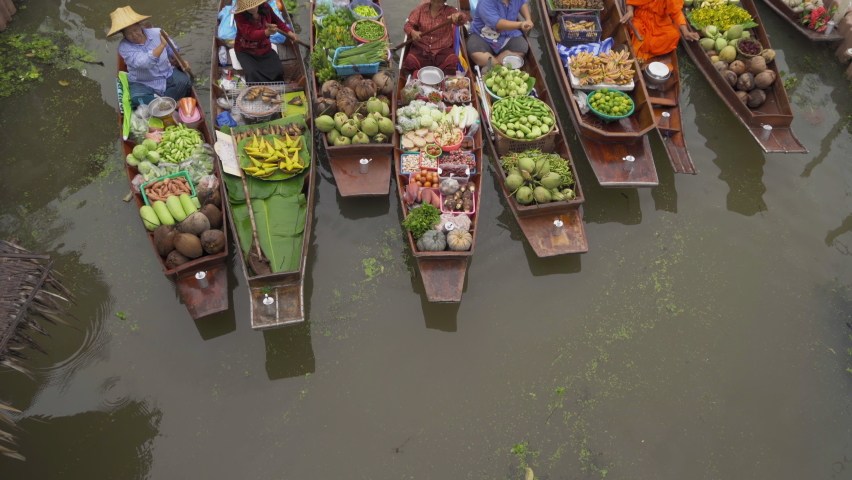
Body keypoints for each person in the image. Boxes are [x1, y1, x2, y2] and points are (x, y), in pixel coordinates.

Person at [110, 6, 192, 108]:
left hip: (167, 74)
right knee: (136, 98)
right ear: (124, 35)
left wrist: (180, 61)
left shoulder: (157, 32)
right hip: (143, 83)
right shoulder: (124, 47)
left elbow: (171, 49)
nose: (134, 35)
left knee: (185, 81)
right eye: (129, 33)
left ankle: (163, 105)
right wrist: (162, 45)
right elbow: (144, 63)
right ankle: (172, 105)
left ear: (140, 26)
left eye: (135, 30)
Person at [233, 0, 299, 83]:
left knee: (278, 70)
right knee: (252, 73)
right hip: (245, 50)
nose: (253, 8)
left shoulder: (265, 7)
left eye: (254, 4)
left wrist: (290, 33)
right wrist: (267, 32)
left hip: (264, 47)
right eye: (249, 7)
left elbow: (277, 21)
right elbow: (249, 34)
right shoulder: (239, 15)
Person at [402, 0, 470, 75]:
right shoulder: (420, 10)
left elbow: (463, 18)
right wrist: (413, 32)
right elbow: (408, 25)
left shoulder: (449, 10)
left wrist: (459, 16)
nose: (438, 4)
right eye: (436, 1)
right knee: (410, 61)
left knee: (452, 60)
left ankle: (445, 82)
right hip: (422, 48)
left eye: (441, 1)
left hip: (442, 49)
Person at [620, 0, 699, 62]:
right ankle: (637, 53)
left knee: (674, 35)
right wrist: (630, 11)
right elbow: (631, 2)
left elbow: (677, 13)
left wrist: (686, 32)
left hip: (660, 20)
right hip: (640, 16)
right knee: (637, 28)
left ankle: (646, 52)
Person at [467, 0, 532, 71]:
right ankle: (500, 69)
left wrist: (528, 19)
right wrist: (520, 24)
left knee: (521, 48)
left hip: (508, 34)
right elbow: (498, 24)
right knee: (475, 52)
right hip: (482, 36)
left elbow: (522, 3)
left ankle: (493, 67)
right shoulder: (485, 2)